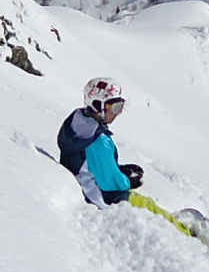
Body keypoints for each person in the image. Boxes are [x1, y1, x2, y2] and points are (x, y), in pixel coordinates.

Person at [56, 78, 144, 206]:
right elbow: (112, 183)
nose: (117, 113)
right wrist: (129, 181)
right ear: (98, 106)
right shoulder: (98, 141)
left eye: (120, 107)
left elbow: (92, 165)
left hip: (85, 187)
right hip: (98, 198)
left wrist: (120, 170)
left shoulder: (79, 123)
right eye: (114, 107)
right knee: (147, 204)